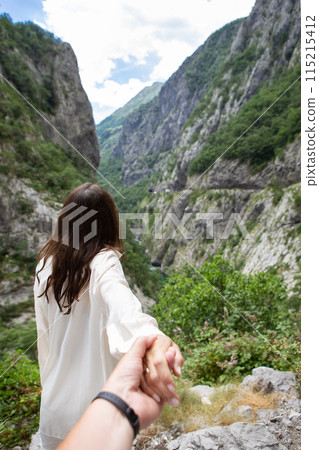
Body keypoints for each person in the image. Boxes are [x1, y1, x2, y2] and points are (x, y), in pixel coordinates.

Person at [34, 183, 183, 450]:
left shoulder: (45, 265)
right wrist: (151, 339)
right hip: (97, 413)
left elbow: (43, 340)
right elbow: (123, 307)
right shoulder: (104, 261)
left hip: (53, 412)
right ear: (108, 222)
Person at [57, 335, 176, 450]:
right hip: (93, 408)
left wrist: (121, 401)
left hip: (57, 409)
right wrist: (155, 340)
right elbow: (124, 319)